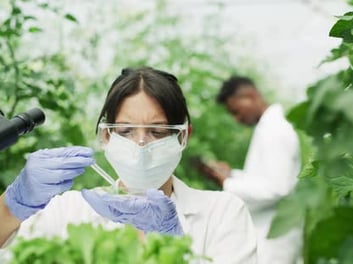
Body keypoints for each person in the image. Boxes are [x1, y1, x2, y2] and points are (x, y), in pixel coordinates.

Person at [0, 67, 257, 263]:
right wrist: (11, 206)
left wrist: (173, 246)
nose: (141, 143)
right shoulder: (68, 210)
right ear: (106, 136)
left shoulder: (223, 213)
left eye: (157, 132)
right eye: (125, 131)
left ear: (183, 136)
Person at [197, 76, 302, 264]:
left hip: (274, 240)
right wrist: (233, 175)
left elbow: (277, 188)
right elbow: (265, 178)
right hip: (269, 233)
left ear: (250, 96)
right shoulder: (267, 128)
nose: (237, 119)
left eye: (236, 111)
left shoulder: (275, 130)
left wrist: (227, 183)